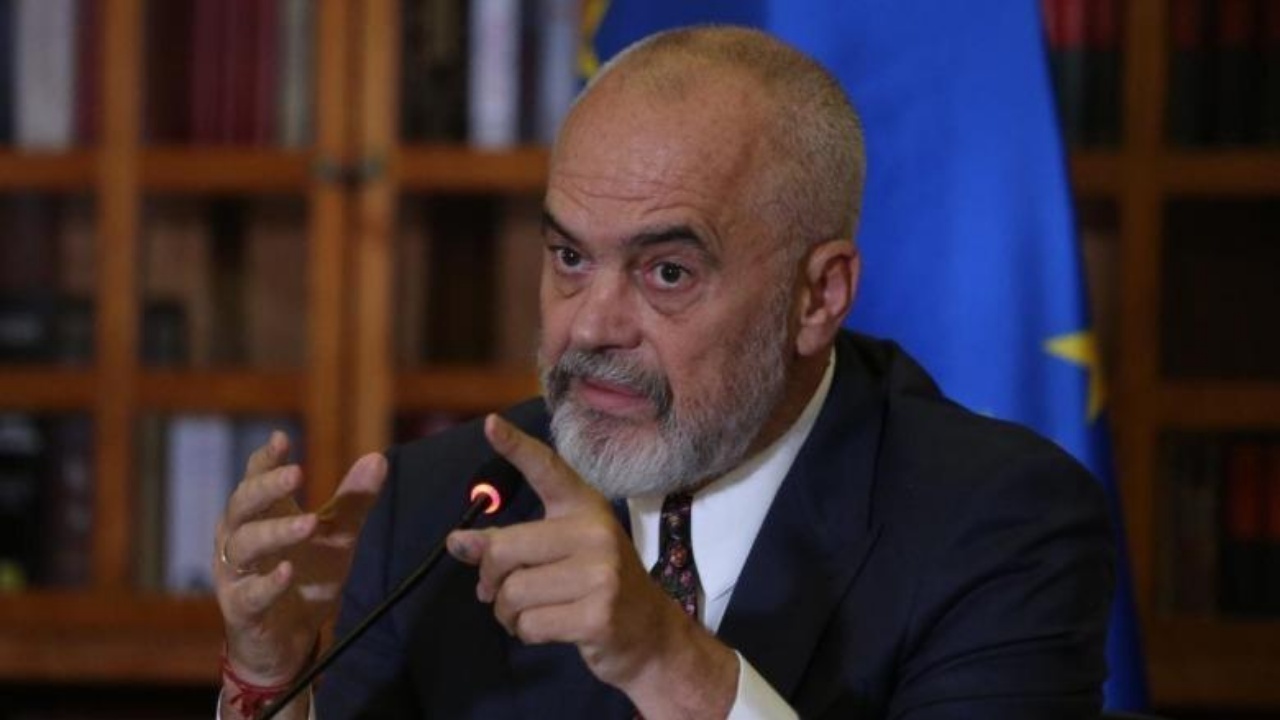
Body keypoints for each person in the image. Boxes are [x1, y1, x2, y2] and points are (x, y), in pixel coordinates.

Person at [213, 26, 1114, 720]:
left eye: (667, 273)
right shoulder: (440, 508)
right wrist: (274, 678)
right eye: (569, 257)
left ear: (819, 297)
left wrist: (665, 662)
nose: (591, 326)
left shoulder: (997, 526)